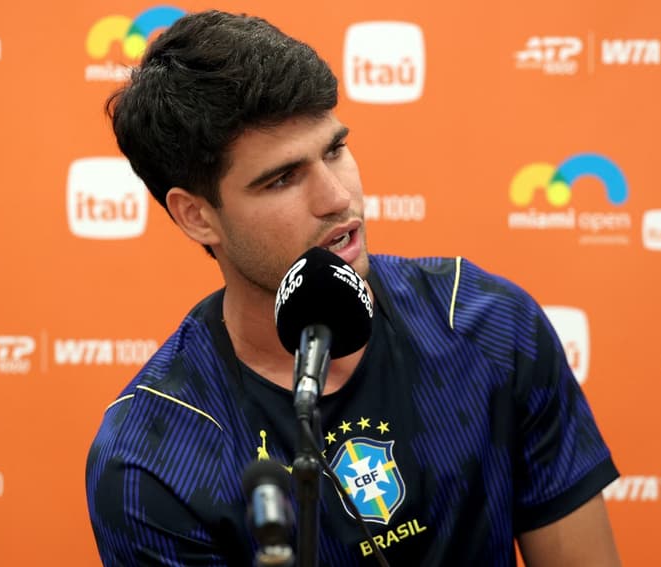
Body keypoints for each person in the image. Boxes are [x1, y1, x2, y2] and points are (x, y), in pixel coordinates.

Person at [85, 9, 622, 566]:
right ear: (196, 216)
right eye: (283, 178)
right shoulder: (152, 456)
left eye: (335, 150)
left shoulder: (487, 324)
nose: (337, 197)